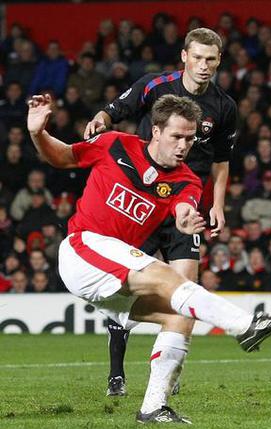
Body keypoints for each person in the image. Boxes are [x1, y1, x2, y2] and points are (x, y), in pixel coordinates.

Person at [28, 93, 271, 424]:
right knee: (168, 278)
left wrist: (185, 219)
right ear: (156, 131)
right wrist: (38, 133)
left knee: (179, 316)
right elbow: (63, 157)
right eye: (176, 136)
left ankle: (153, 407)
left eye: (190, 138)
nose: (184, 146)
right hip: (83, 249)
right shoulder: (116, 145)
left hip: (114, 273)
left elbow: (183, 209)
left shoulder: (186, 180)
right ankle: (246, 325)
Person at [84, 28, 238, 396]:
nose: (204, 66)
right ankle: (116, 374)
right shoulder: (156, 85)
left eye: (211, 59)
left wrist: (217, 204)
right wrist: (100, 120)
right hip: (143, 202)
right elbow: (115, 111)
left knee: (186, 290)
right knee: (124, 290)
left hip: (185, 204)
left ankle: (167, 376)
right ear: (184, 56)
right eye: (197, 57)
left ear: (219, 61)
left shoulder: (224, 107)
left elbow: (221, 161)